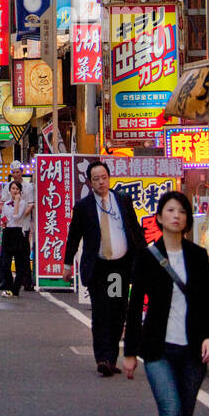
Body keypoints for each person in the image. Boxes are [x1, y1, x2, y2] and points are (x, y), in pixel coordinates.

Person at [124, 191, 209, 416]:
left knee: (185, 412)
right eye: (171, 210)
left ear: (187, 219)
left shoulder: (198, 256)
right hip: (158, 350)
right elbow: (135, 306)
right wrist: (129, 352)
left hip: (193, 350)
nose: (177, 215)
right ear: (159, 217)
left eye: (182, 211)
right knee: (171, 410)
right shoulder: (147, 257)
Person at [62, 159, 144, 376]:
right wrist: (67, 264)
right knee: (100, 312)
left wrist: (145, 256)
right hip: (98, 266)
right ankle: (103, 359)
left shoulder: (123, 200)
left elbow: (134, 230)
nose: (101, 182)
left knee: (117, 311)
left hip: (119, 267)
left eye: (104, 177)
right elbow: (74, 236)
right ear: (89, 182)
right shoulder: (84, 207)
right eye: (96, 179)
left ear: (109, 178)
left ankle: (112, 358)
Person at [0, 179, 32, 299]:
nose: (15, 191)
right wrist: (3, 223)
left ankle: (16, 289)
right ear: (9, 191)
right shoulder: (7, 203)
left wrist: (17, 201)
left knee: (19, 262)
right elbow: (3, 217)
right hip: (8, 232)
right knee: (5, 263)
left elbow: (16, 216)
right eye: (13, 189)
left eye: (17, 189)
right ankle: (9, 286)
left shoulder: (22, 203)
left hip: (18, 232)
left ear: (20, 191)